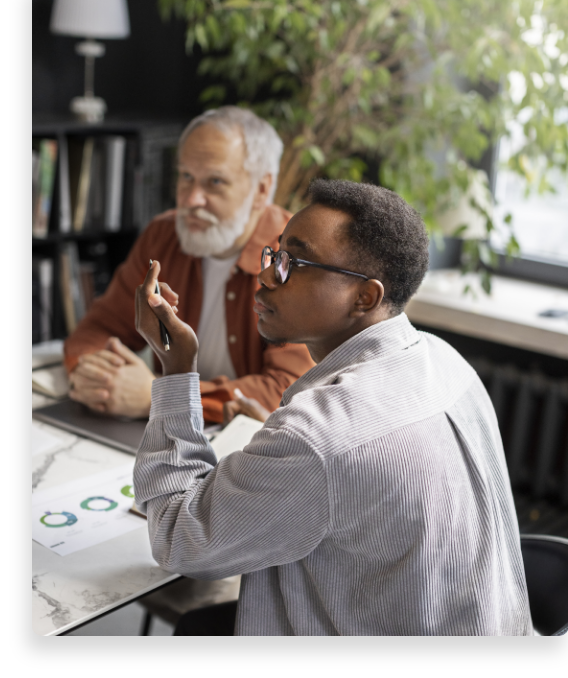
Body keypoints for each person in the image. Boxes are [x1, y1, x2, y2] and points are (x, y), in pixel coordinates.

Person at [133, 179, 534, 636]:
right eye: (275, 253)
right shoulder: (446, 362)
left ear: (365, 297)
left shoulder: (316, 438)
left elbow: (177, 539)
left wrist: (176, 370)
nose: (265, 276)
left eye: (294, 263)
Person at [65, 107, 314, 423]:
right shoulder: (163, 235)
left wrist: (162, 397)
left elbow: (287, 391)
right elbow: (99, 329)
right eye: (185, 176)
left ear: (261, 190)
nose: (192, 199)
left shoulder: (293, 259)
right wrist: (92, 376)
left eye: (215, 181)